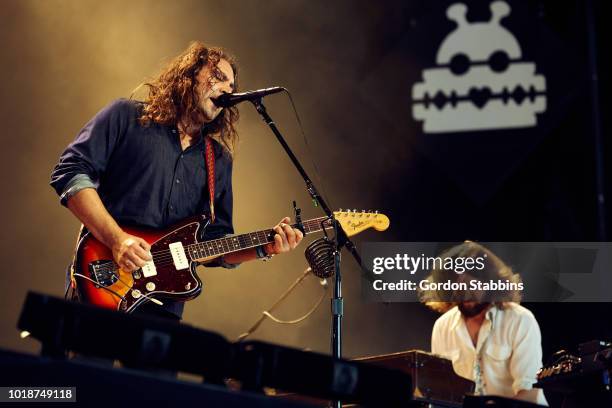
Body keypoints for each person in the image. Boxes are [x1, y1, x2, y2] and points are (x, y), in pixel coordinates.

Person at [50, 41, 304, 321]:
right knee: (86, 366)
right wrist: (117, 239)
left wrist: (264, 247)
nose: (226, 91)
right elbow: (70, 171)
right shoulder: (127, 116)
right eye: (217, 77)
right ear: (188, 75)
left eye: (231, 87)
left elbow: (213, 244)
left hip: (164, 305)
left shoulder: (217, 159)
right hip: (101, 280)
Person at [419, 242, 548, 405]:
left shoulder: (520, 319)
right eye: (457, 291)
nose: (466, 299)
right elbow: (442, 395)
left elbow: (529, 392)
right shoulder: (442, 327)